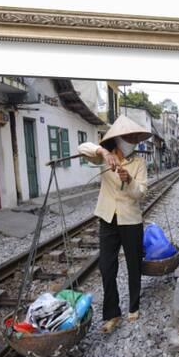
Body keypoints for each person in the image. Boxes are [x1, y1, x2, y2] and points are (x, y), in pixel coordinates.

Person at [78, 115, 151, 333]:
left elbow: (141, 193)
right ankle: (112, 313)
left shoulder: (138, 162)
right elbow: (83, 147)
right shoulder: (104, 157)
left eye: (134, 138)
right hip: (108, 218)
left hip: (131, 219)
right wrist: (103, 151)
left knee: (133, 264)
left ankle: (134, 305)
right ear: (118, 139)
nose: (132, 142)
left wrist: (129, 180)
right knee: (107, 266)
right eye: (128, 137)